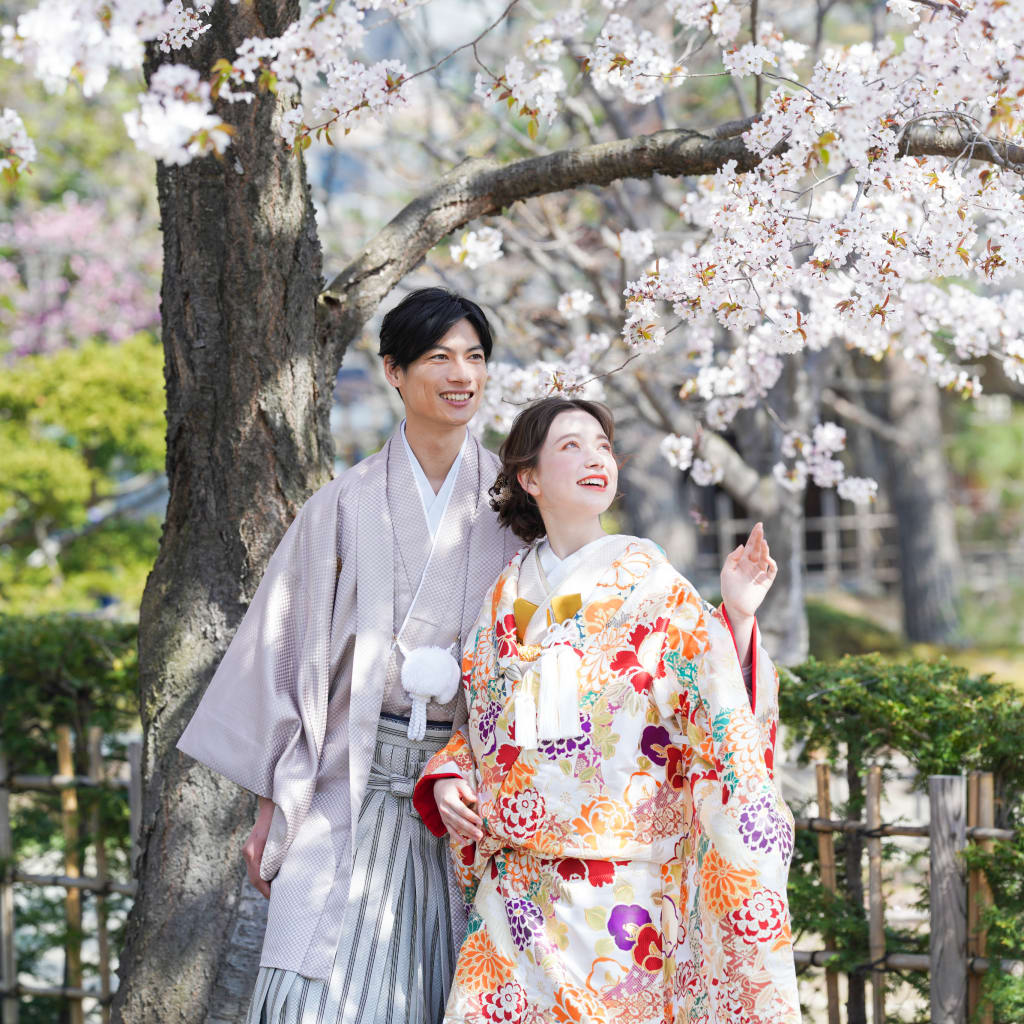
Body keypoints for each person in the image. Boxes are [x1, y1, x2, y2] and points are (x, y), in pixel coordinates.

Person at [177, 287, 523, 1024]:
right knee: (316, 997)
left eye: (476, 357)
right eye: (440, 357)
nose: (463, 374)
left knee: (458, 988)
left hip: (474, 793)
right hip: (349, 780)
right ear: (394, 372)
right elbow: (285, 653)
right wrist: (272, 806)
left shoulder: (511, 507)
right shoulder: (344, 504)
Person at [413, 397, 800, 1024]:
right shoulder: (499, 598)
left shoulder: (653, 588)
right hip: (515, 894)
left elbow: (720, 713)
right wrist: (454, 772)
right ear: (528, 478)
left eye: (602, 445)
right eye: (571, 445)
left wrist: (735, 618)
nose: (596, 457)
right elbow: (486, 724)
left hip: (624, 894)